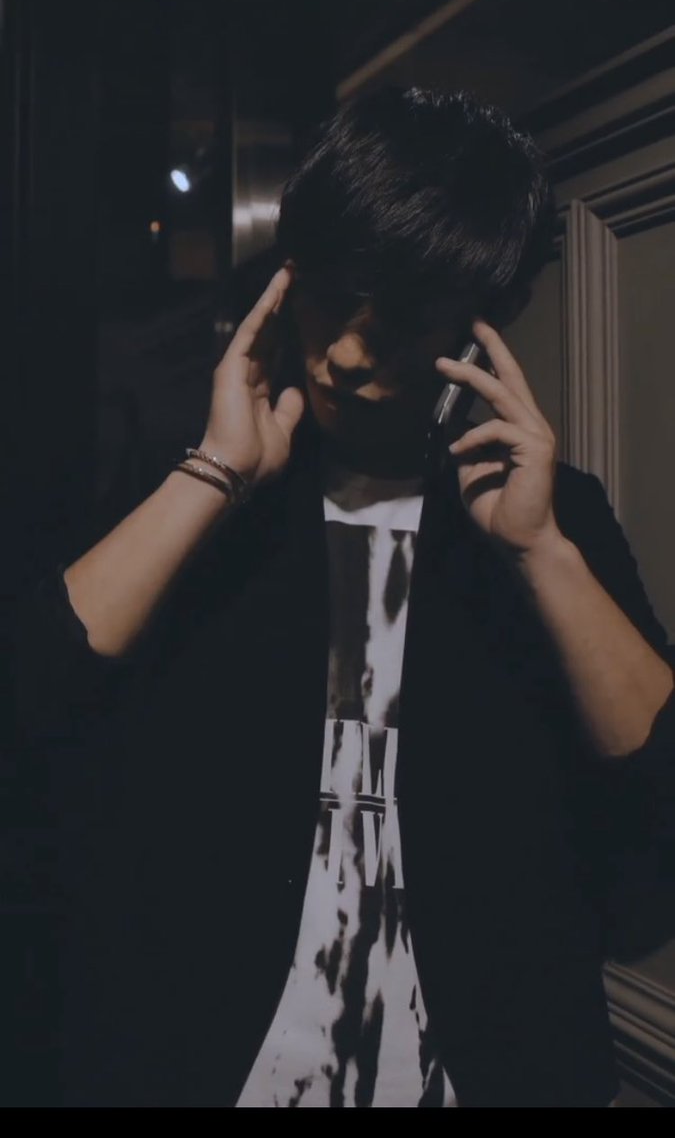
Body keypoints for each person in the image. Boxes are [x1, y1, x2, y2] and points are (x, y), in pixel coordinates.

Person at [14, 85, 675, 1108]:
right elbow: (31, 708)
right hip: (206, 1066)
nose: (351, 355)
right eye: (331, 296)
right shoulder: (205, 490)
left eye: (400, 319)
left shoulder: (553, 518)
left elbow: (654, 826)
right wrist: (213, 477)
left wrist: (540, 550)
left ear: (481, 326)